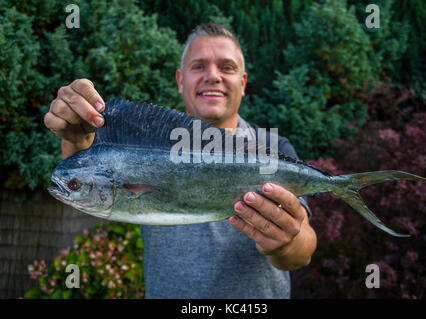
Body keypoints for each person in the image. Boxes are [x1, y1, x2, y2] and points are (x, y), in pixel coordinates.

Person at [44, 22, 317, 298]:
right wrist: (75, 138)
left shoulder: (271, 148)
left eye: (227, 67)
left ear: (243, 83)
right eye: (198, 66)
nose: (213, 76)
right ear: (180, 80)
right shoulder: (142, 142)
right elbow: (87, 172)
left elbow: (303, 251)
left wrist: (284, 244)